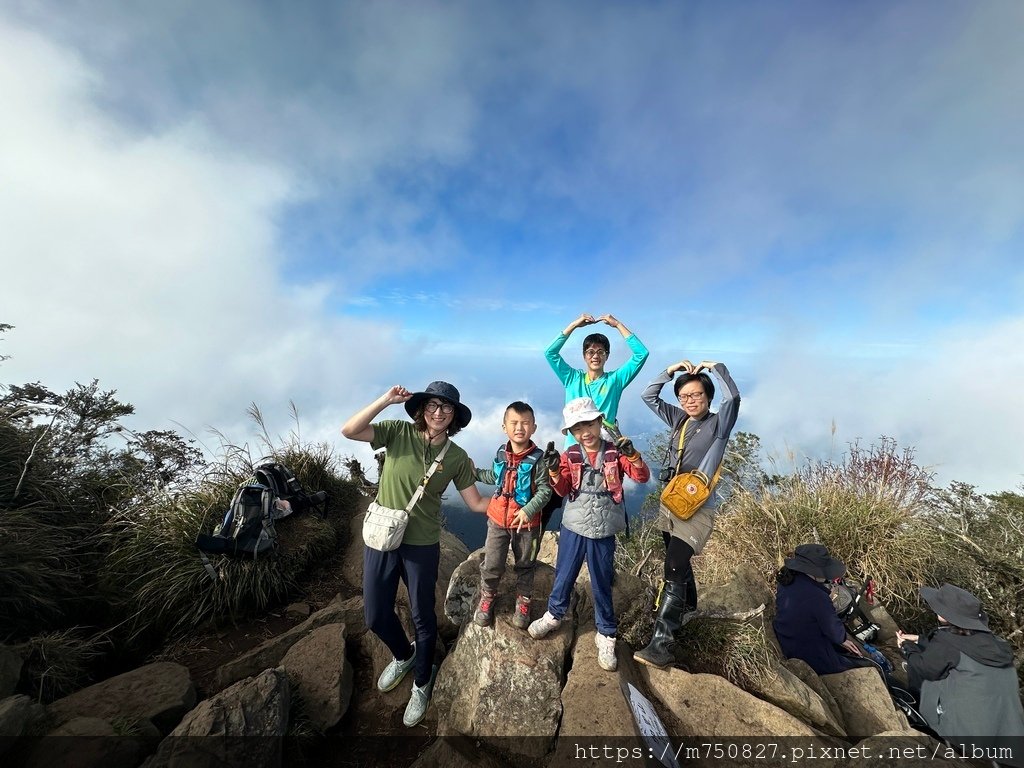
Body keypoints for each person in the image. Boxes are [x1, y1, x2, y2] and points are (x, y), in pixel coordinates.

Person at [341, 381, 490, 728]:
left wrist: (521, 503)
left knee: (424, 617)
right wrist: (387, 400)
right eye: (433, 405)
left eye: (447, 408)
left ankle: (422, 682)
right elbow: (349, 430)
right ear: (422, 409)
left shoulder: (455, 457)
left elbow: (476, 502)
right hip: (382, 535)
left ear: (454, 416)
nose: (439, 412)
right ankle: (404, 655)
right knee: (376, 615)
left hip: (421, 543)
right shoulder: (397, 432)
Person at [527, 397, 650, 672]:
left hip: (604, 527)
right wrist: (554, 471)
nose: (585, 432)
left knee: (601, 580)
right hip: (573, 524)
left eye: (589, 424)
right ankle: (554, 614)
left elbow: (642, 477)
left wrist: (632, 455)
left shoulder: (615, 453)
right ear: (572, 432)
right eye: (578, 427)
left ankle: (606, 633)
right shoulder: (569, 454)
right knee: (564, 573)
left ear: (599, 422)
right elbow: (560, 492)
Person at [633, 359, 740, 668]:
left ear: (707, 396)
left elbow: (732, 398)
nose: (691, 401)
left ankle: (661, 644)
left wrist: (717, 368)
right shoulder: (680, 420)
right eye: (685, 396)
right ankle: (688, 605)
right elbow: (648, 396)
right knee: (677, 561)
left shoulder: (719, 425)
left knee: (675, 564)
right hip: (672, 503)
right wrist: (669, 372)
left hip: (698, 508)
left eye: (697, 395)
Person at [896, 583, 1024, 742]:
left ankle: (922, 720)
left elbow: (923, 667)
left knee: (917, 671)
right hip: (998, 724)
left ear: (947, 615)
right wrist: (918, 639)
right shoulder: (994, 642)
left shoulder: (948, 642)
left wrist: (906, 647)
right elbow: (957, 652)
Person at [472, 401, 553, 630]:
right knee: (492, 563)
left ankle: (524, 601)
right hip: (497, 519)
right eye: (514, 423)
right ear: (504, 426)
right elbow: (496, 478)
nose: (520, 428)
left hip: (527, 525)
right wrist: (475, 473)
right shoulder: (501, 453)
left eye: (525, 423)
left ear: (534, 428)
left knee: (525, 565)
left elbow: (545, 490)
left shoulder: (539, 459)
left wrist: (528, 511)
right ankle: (487, 596)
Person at [544, 313, 649, 445]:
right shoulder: (572, 379)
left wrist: (618, 325)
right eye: (590, 352)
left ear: (607, 356)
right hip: (574, 453)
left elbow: (641, 354)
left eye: (601, 352)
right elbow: (550, 353)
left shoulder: (615, 381)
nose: (595, 356)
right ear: (584, 356)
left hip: (606, 452)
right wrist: (574, 325)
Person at [771, 544, 867, 675]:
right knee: (859, 667)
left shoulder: (787, 582)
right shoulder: (817, 596)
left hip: (788, 640)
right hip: (810, 654)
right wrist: (843, 640)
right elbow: (834, 629)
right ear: (814, 572)